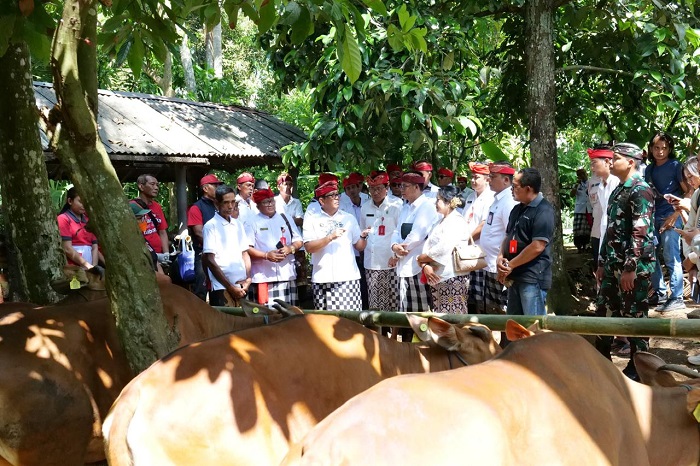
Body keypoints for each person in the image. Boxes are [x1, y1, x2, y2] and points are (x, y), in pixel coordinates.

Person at [595, 143, 655, 380]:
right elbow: (609, 230)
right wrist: (601, 263)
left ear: (631, 162)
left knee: (635, 318)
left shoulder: (640, 190)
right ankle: (601, 363)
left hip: (634, 269)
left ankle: (641, 367)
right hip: (612, 266)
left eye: (615, 158)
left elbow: (641, 232)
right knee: (604, 314)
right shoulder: (619, 190)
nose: (610, 162)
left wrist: (630, 268)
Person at [303, 179, 369, 311]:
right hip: (322, 278)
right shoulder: (312, 219)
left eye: (337, 194)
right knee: (324, 324)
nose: (337, 198)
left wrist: (364, 236)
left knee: (350, 321)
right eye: (332, 196)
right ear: (321, 201)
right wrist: (329, 238)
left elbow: (359, 246)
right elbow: (309, 247)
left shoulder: (348, 218)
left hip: (348, 278)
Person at [497, 168, 555, 316]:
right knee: (513, 325)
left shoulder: (543, 211)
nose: (511, 190)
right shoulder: (516, 209)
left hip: (532, 278)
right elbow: (508, 236)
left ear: (528, 188)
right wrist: (500, 257)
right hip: (514, 276)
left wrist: (511, 265)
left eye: (515, 186)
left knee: (532, 326)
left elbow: (538, 246)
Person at [390, 171, 441, 319]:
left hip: (418, 266)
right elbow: (396, 230)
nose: (401, 189)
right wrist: (394, 246)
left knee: (422, 314)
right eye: (400, 186)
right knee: (407, 312)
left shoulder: (426, 206)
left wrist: (400, 250)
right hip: (403, 264)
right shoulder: (405, 207)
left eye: (405, 186)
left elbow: (417, 234)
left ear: (417, 187)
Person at [469, 161, 518, 314]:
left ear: (506, 180)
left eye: (493, 176)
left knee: (502, 308)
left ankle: (506, 339)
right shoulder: (498, 200)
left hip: (499, 265)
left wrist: (507, 261)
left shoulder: (509, 201)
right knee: (492, 308)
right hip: (489, 263)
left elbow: (512, 235)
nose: (489, 179)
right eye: (489, 176)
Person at [645, 131, 685, 311]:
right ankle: (660, 293)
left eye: (664, 148)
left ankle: (677, 297)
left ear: (670, 149)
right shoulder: (649, 169)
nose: (660, 151)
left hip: (671, 216)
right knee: (650, 255)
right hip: (653, 216)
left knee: (671, 256)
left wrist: (675, 214)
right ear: (651, 148)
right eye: (657, 147)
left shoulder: (676, 165)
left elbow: (687, 191)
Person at [416, 186, 470, 313]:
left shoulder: (456, 221)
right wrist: (424, 265)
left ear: (449, 202)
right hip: (438, 275)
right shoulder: (440, 221)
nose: (436, 203)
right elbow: (428, 246)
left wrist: (420, 259)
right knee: (440, 315)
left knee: (453, 316)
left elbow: (443, 249)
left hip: (452, 276)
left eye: (438, 200)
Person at [247, 188, 303, 306]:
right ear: (258, 206)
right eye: (266, 202)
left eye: (272, 201)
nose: (270, 204)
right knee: (267, 316)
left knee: (290, 315)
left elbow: (298, 240)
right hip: (264, 277)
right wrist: (266, 255)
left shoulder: (285, 218)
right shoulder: (252, 222)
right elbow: (248, 248)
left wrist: (290, 249)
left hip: (286, 275)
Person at [202, 185, 252, 307]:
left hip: (242, 285)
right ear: (217, 203)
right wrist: (230, 287)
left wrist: (248, 278)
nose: (230, 206)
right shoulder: (211, 226)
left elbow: (245, 253)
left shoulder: (238, 224)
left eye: (233, 202)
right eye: (226, 202)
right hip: (221, 287)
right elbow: (209, 259)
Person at [360, 171, 402, 314]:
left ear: (387, 187)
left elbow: (400, 233)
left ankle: (394, 335)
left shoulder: (397, 205)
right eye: (372, 188)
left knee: (394, 303)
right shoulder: (365, 207)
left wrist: (396, 256)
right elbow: (362, 232)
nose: (375, 192)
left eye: (379, 188)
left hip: (391, 262)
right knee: (375, 305)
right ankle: (378, 334)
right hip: (371, 262)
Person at [462, 162, 496, 314]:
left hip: (480, 251)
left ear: (487, 179)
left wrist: (467, 239)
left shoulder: (490, 197)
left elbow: (483, 225)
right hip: (466, 251)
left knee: (480, 292)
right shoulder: (470, 196)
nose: (473, 180)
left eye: (477, 177)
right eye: (472, 177)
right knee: (469, 291)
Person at [187, 173, 223, 300]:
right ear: (205, 188)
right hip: (203, 255)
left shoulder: (221, 205)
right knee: (201, 291)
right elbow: (198, 233)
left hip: (221, 255)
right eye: (215, 185)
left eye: (219, 185)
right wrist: (217, 247)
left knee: (219, 291)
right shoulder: (196, 208)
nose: (218, 188)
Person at [340, 172, 370, 308]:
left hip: (370, 247)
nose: (352, 191)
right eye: (348, 188)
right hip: (354, 250)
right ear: (345, 191)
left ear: (359, 187)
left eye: (354, 187)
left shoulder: (368, 200)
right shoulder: (342, 205)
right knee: (360, 282)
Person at [587, 145, 620, 268]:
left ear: (607, 162)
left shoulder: (616, 182)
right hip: (603, 232)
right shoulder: (601, 185)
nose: (592, 168)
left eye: (594, 163)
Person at [57, 187, 99, 271]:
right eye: (80, 201)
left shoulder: (88, 220)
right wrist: (87, 265)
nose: (84, 205)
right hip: (73, 269)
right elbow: (67, 248)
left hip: (90, 268)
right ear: (70, 201)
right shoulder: (63, 218)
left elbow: (94, 246)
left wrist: (94, 267)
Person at [131, 174, 169, 255]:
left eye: (157, 185)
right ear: (141, 186)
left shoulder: (157, 206)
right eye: (152, 184)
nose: (156, 188)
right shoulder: (132, 206)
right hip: (143, 254)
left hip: (158, 253)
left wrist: (166, 253)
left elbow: (162, 231)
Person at [131, 202, 161, 272]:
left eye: (144, 217)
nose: (144, 221)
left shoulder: (143, 239)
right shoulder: (131, 242)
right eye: (139, 218)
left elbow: (155, 261)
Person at [571, 168, 592, 253]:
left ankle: (586, 246)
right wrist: (576, 186)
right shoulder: (577, 185)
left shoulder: (591, 183)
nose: (582, 176)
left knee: (586, 229)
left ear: (586, 174)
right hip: (579, 209)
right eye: (579, 175)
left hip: (589, 208)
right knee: (578, 229)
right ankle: (579, 247)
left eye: (583, 174)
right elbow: (571, 195)